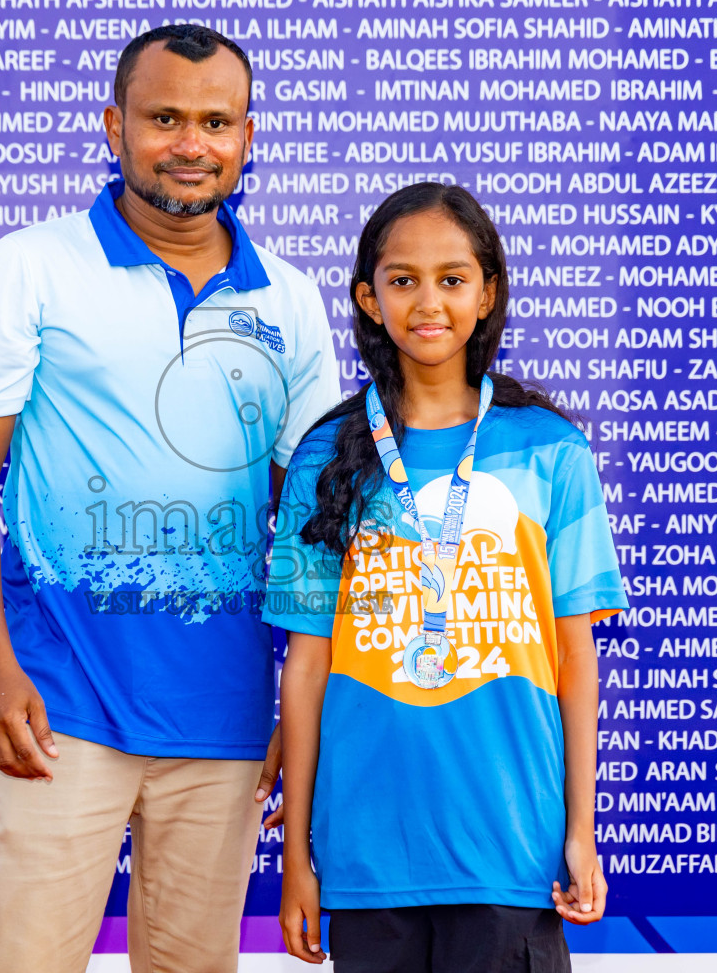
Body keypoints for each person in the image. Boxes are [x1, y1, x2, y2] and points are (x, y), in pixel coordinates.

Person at [0, 24, 340, 973]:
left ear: (248, 137)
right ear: (115, 127)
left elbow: (314, 526)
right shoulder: (31, 265)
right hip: (57, 708)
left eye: (214, 121)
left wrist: (299, 705)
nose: (190, 143)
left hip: (227, 717)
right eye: (164, 118)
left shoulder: (289, 299)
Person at [264, 182, 627, 971]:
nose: (428, 302)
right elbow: (306, 667)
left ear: (488, 292)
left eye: (453, 279)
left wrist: (581, 832)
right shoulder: (326, 459)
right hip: (367, 856)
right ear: (368, 298)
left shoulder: (551, 450)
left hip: (510, 847)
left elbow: (575, 659)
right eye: (402, 280)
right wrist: (296, 858)